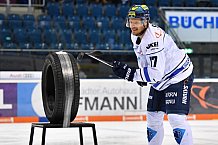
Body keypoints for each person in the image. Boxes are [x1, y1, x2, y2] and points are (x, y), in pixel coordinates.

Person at [112, 4, 194, 145]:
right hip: (161, 80)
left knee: (176, 118)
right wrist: (141, 73)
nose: (133, 25)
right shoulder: (135, 35)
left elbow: (155, 74)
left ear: (145, 22)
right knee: (153, 117)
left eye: (137, 22)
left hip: (178, 76)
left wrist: (131, 74)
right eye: (131, 22)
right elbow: (143, 59)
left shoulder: (153, 39)